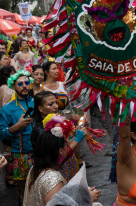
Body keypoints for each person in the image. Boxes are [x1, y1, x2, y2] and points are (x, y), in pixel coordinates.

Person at [31, 91, 85, 182]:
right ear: (40, 108)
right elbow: (58, 160)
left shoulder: (57, 122)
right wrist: (77, 139)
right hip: (56, 173)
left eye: (56, 102)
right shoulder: (42, 131)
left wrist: (76, 133)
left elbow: (66, 145)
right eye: (50, 104)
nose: (56, 106)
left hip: (69, 166)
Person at [0, 70, 34, 198]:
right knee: (24, 191)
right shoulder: (7, 109)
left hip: (41, 150)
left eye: (27, 82)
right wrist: (16, 127)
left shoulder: (38, 102)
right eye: (20, 84)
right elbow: (2, 135)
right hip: (21, 154)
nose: (24, 86)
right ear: (13, 86)